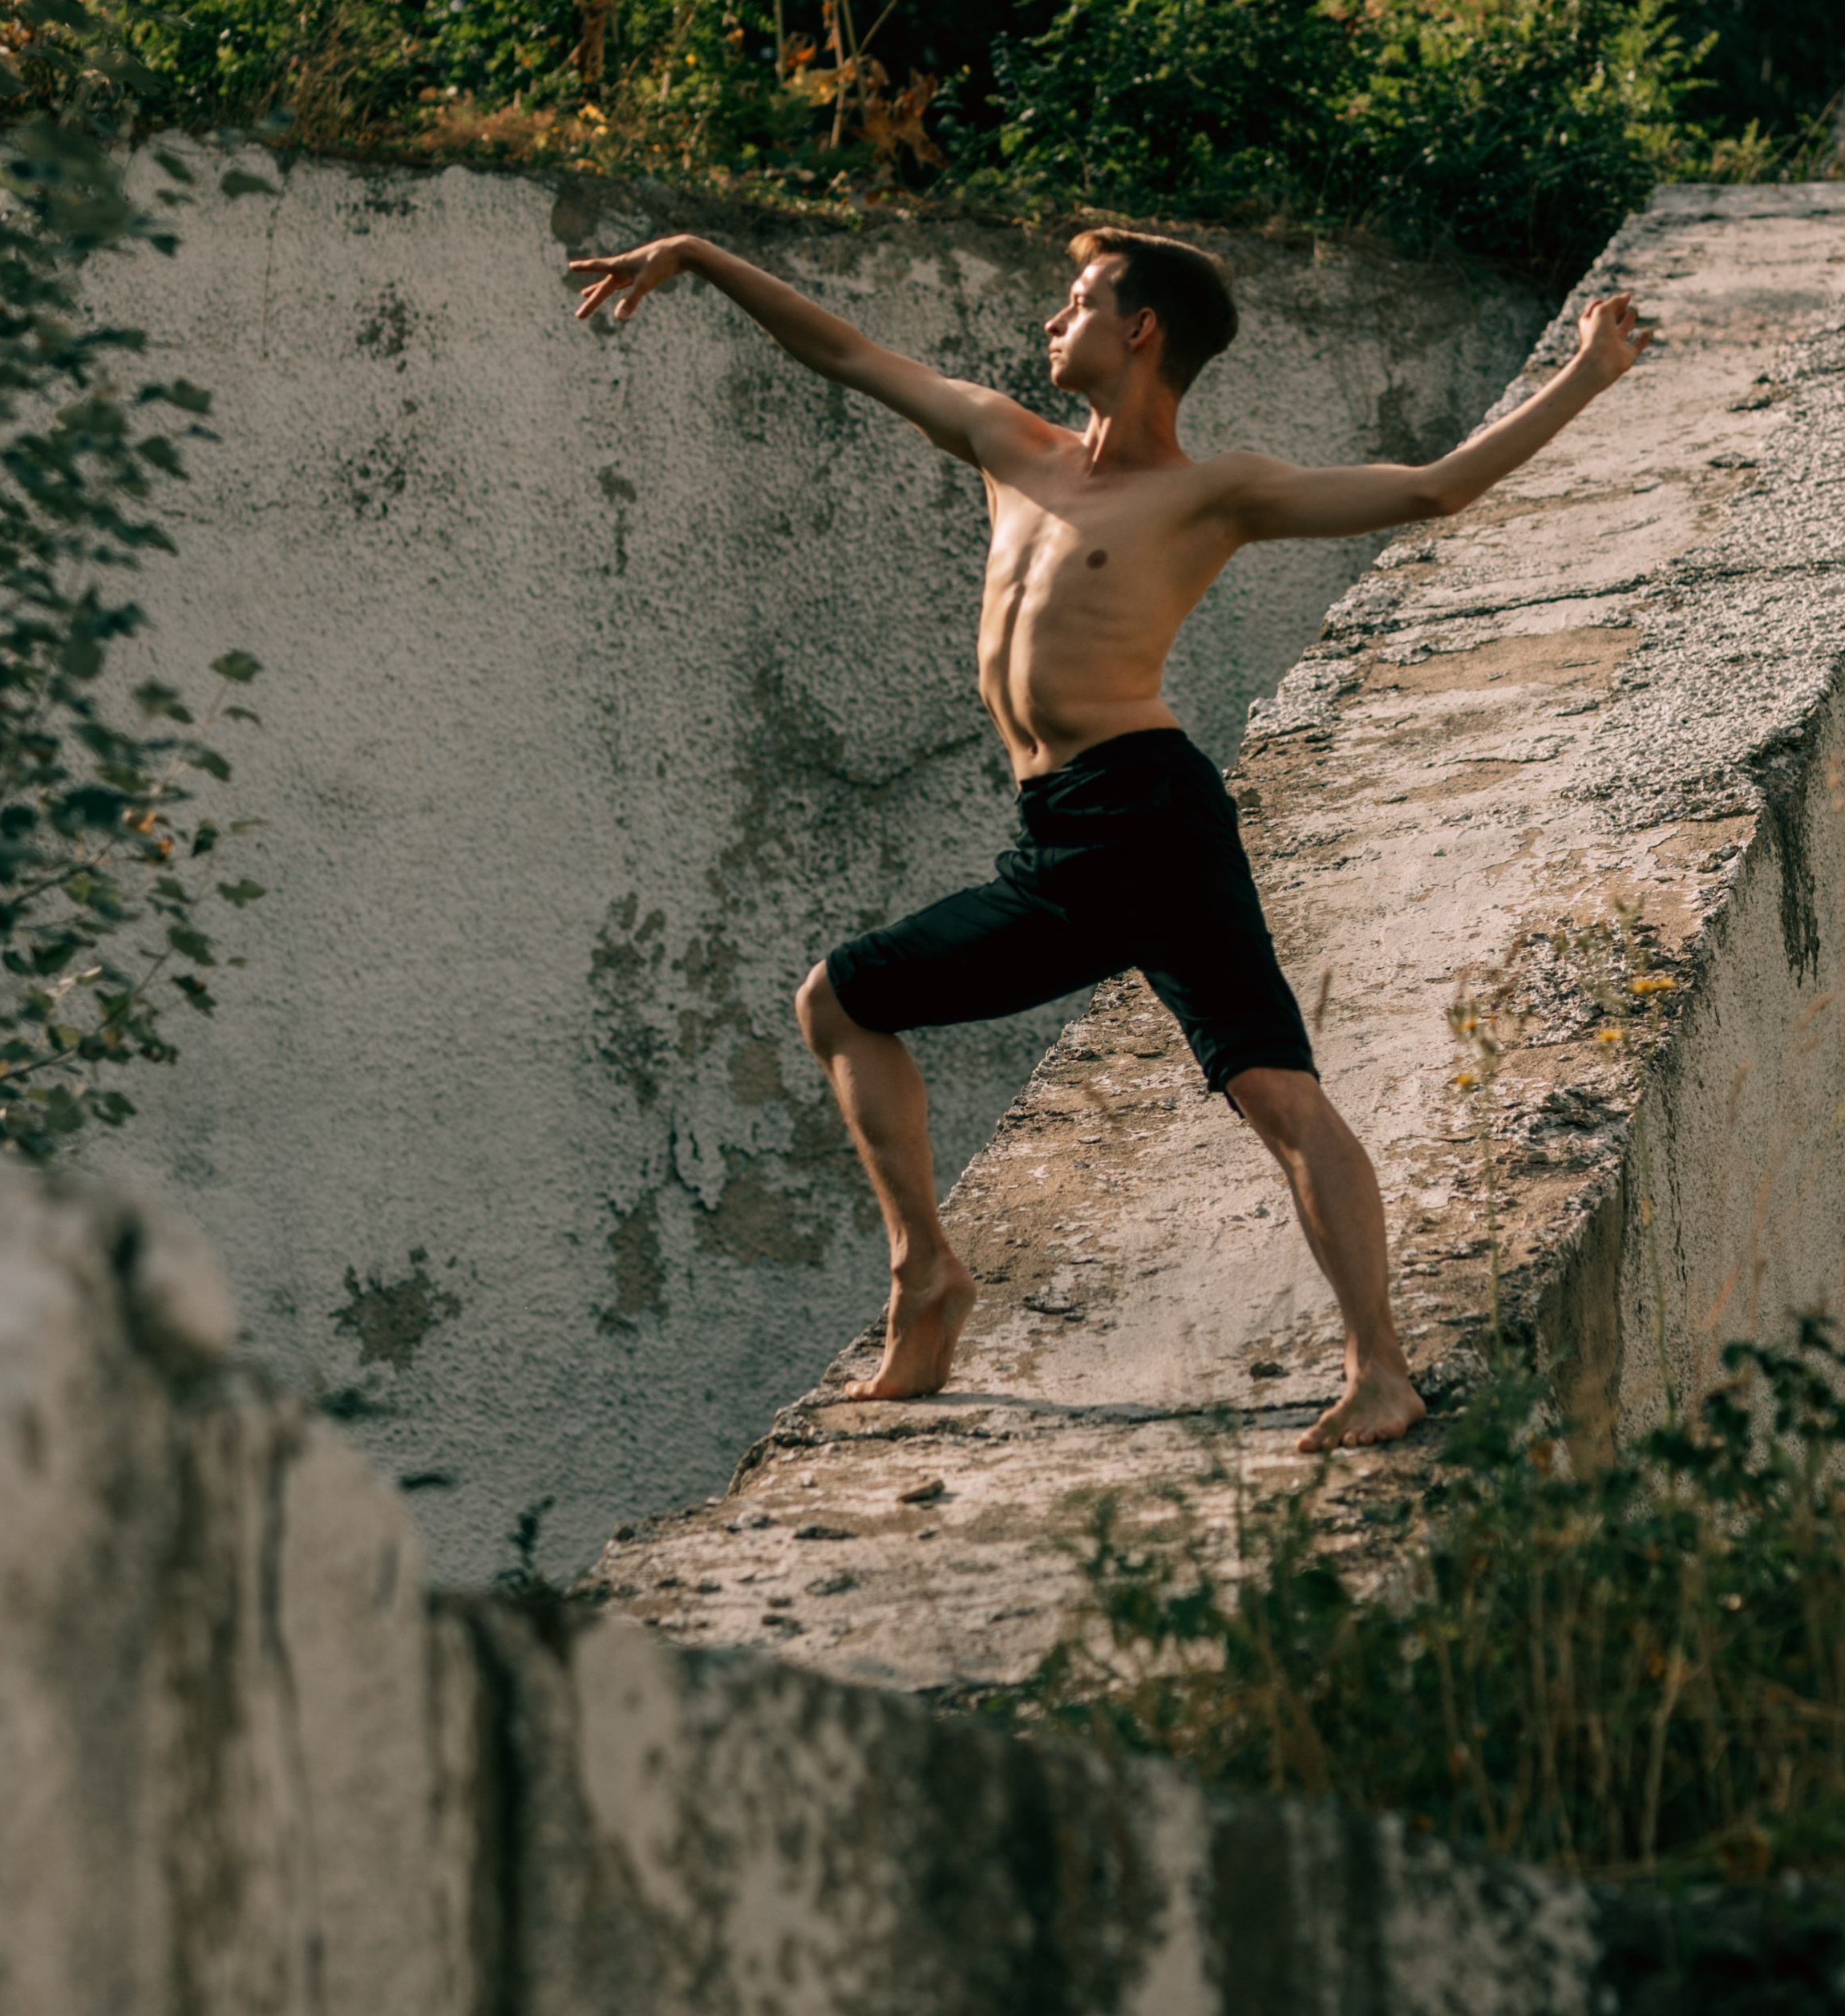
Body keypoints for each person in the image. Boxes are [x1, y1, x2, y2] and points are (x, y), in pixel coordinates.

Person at [568, 228, 1649, 1449]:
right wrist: (703, 259)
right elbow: (846, 353)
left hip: (1145, 815)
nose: (1051, 322)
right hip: (1066, 826)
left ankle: (984, 1290)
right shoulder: (1006, 443)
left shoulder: (1210, 492)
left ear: (1139, 332)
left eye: (1077, 302)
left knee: (867, 1002)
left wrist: (1584, 378)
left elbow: (1430, 487)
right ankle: (967, 1281)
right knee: (1254, 1083)